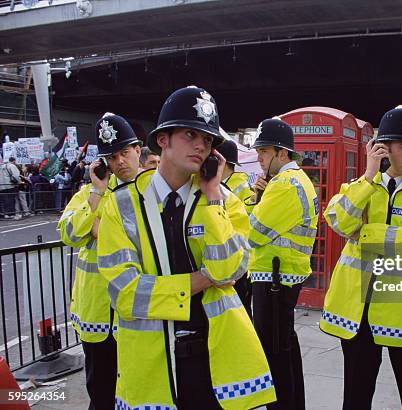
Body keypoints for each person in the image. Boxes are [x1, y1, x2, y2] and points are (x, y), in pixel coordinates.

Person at [97, 86, 275, 410]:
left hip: (216, 359)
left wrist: (211, 198)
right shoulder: (120, 206)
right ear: (162, 139)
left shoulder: (223, 200)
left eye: (207, 140)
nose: (200, 146)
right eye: (190, 134)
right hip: (153, 365)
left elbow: (232, 268)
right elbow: (126, 294)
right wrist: (201, 280)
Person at [321, 105, 402, 410]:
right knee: (356, 397)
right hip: (357, 311)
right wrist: (368, 177)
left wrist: (365, 235)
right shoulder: (359, 187)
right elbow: (336, 221)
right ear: (382, 148)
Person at [58, 113, 143, 410]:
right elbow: (69, 233)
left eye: (123, 152)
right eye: (111, 156)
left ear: (137, 150)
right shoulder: (90, 193)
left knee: (137, 391)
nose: (119, 162)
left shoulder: (152, 193)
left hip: (134, 313)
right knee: (100, 391)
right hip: (97, 313)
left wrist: (99, 229)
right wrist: (96, 193)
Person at [248, 117, 318, 410]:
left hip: (274, 279)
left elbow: (252, 232)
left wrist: (250, 203)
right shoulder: (294, 181)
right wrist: (261, 196)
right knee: (286, 350)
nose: (259, 158)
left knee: (274, 354)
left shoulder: (285, 185)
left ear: (281, 152)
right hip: (284, 276)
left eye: (263, 152)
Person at [216, 138, 255, 315]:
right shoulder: (231, 183)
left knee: (240, 309)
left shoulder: (237, 186)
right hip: (226, 255)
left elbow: (248, 220)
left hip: (238, 256)